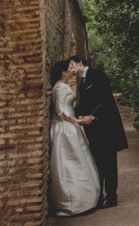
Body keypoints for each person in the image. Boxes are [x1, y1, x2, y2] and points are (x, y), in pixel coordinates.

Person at [68, 55, 128, 209]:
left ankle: (112, 196)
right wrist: (68, 113)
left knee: (109, 162)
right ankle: (99, 196)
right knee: (97, 162)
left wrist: (93, 117)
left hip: (106, 127)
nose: (71, 69)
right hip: (93, 130)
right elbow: (84, 104)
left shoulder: (97, 75)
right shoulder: (83, 82)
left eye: (72, 65)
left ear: (80, 63)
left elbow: (105, 99)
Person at [48, 59, 100, 216]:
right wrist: (75, 120)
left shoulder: (64, 85)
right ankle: (70, 202)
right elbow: (59, 111)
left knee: (78, 160)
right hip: (64, 127)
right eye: (70, 68)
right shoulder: (59, 87)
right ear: (63, 72)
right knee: (68, 163)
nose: (73, 70)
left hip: (71, 126)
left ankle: (84, 198)